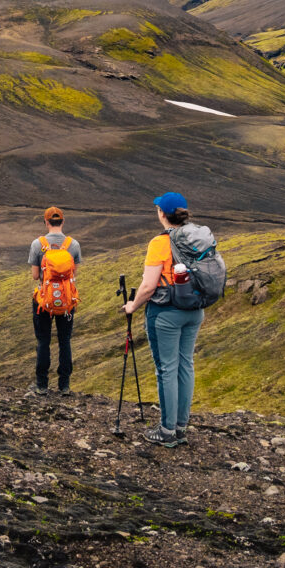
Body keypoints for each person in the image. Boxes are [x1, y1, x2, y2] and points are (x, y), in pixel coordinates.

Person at [123, 191, 204, 448]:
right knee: (184, 365)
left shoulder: (159, 243)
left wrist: (132, 306)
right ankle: (180, 426)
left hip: (166, 312)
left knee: (167, 369)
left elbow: (148, 287)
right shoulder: (197, 237)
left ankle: (166, 430)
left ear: (162, 214)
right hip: (194, 309)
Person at [28, 206, 81, 396]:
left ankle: (42, 385)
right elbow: (73, 274)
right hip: (67, 301)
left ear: (46, 222)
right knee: (64, 341)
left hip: (44, 301)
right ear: (63, 222)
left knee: (43, 341)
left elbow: (35, 276)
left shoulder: (37, 244)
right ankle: (64, 386)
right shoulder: (73, 245)